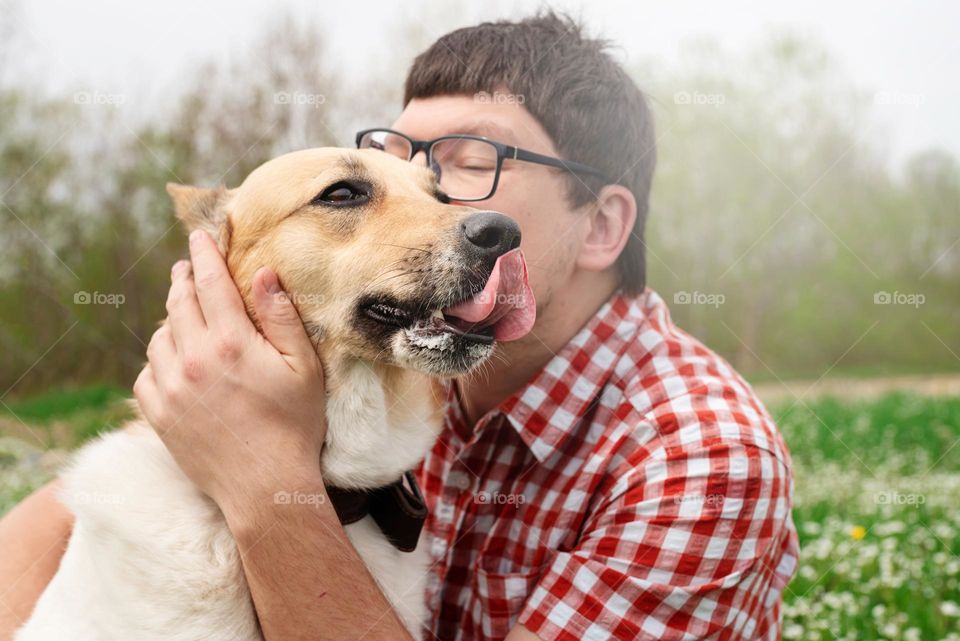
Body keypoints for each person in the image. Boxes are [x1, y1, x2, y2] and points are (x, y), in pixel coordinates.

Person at [0, 11, 799, 641]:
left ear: (600, 227)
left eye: (472, 158)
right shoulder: (388, 361)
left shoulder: (702, 460)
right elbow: (82, 509)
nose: (432, 202)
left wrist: (259, 479)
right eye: (394, 162)